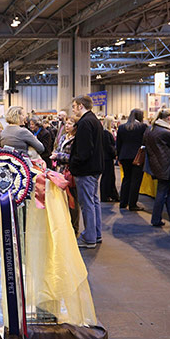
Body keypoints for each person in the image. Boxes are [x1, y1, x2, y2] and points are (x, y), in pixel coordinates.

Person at [69, 96, 104, 248]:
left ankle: (89, 238)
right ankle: (95, 234)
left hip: (86, 170)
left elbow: (84, 150)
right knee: (94, 202)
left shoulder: (84, 123)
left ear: (81, 106)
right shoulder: (94, 120)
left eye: (74, 106)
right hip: (94, 168)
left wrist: (73, 163)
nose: (73, 109)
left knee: (87, 203)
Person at [143, 108, 170, 229]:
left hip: (157, 165)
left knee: (169, 193)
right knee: (162, 193)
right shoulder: (166, 132)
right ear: (169, 118)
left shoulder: (151, 129)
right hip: (166, 166)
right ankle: (155, 219)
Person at [51, 117, 79, 235]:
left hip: (70, 173)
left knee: (72, 200)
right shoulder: (63, 137)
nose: (67, 126)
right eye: (66, 123)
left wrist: (58, 156)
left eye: (70, 123)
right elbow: (56, 150)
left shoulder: (76, 140)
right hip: (60, 172)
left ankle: (74, 227)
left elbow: (72, 157)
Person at [116, 109, 147, 211]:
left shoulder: (121, 127)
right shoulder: (142, 127)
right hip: (138, 156)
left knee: (126, 178)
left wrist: (119, 156)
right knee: (136, 180)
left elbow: (118, 144)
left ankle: (123, 202)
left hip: (124, 156)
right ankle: (132, 204)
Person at [100, 116, 119, 202]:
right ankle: (105, 196)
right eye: (112, 122)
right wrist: (115, 153)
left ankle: (111, 195)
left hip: (106, 157)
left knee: (110, 177)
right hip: (106, 158)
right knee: (107, 177)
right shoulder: (106, 133)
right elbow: (109, 146)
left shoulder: (106, 133)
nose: (114, 123)